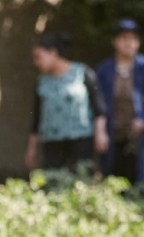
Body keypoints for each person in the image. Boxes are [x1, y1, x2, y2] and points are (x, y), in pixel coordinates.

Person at [95, 18, 144, 183]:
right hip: (113, 134)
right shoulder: (104, 70)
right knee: (112, 177)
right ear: (115, 42)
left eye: (133, 39)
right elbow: (98, 103)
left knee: (141, 178)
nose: (129, 43)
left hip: (140, 135)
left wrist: (143, 119)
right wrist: (100, 131)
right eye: (124, 38)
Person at [25, 33, 108, 173]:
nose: (36, 62)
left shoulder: (83, 73)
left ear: (53, 53)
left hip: (81, 139)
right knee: (53, 181)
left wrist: (101, 133)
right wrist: (31, 148)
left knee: (82, 178)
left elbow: (99, 107)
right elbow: (36, 116)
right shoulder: (42, 82)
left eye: (39, 57)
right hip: (52, 141)